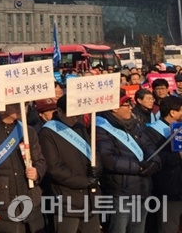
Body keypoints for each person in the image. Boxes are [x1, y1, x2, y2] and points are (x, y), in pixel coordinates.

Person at [0, 103, 47, 233]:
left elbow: (40, 161)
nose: (20, 108)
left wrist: (37, 172)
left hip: (30, 199)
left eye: (21, 104)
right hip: (2, 203)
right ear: (2, 108)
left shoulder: (27, 131)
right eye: (14, 105)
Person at [96, 94, 161, 233]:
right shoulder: (101, 127)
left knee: (138, 229)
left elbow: (149, 146)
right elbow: (108, 159)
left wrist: (154, 163)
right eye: (127, 105)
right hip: (120, 192)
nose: (131, 109)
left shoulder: (135, 125)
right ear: (114, 108)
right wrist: (139, 167)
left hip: (142, 189)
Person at [38, 95, 101, 233]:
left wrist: (97, 168)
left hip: (90, 198)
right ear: (59, 111)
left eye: (77, 114)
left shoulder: (80, 126)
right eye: (71, 114)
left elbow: (93, 152)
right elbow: (54, 168)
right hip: (67, 199)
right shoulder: (48, 132)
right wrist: (84, 181)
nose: (75, 118)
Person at [141, 96, 182, 233]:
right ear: (173, 112)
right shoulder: (151, 132)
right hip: (168, 191)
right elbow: (154, 158)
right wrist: (177, 155)